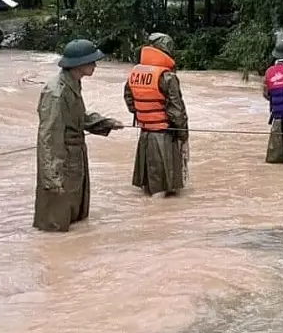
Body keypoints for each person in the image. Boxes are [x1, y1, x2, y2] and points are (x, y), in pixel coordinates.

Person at [34, 39, 124, 232]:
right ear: (79, 64)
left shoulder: (73, 83)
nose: (95, 65)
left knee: (75, 221)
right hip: (62, 161)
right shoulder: (56, 93)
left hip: (74, 158)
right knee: (55, 225)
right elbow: (48, 138)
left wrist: (105, 123)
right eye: (92, 61)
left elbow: (78, 118)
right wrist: (51, 177)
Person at [124, 33, 189, 196]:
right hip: (164, 136)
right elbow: (177, 112)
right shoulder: (167, 77)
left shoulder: (135, 73)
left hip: (145, 134)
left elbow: (129, 99)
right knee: (163, 192)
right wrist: (183, 137)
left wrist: (143, 114)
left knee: (149, 190)